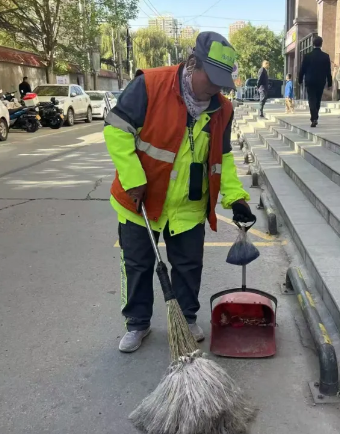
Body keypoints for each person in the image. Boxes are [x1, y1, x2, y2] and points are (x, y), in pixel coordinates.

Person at [104, 32, 254, 353]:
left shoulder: (222, 110)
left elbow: (222, 159)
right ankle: (137, 323)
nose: (215, 88)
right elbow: (116, 129)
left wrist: (235, 197)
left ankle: (186, 317)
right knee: (138, 264)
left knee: (188, 266)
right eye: (210, 79)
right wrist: (132, 178)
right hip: (140, 201)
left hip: (188, 205)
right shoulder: (150, 86)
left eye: (221, 82)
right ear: (191, 64)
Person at [298, 36, 332, 127]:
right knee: (318, 99)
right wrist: (330, 82)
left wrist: (300, 80)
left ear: (313, 44)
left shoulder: (307, 56)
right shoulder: (325, 56)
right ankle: (315, 117)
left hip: (310, 81)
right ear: (321, 44)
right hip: (321, 81)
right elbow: (328, 70)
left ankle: (314, 118)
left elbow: (302, 69)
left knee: (311, 99)